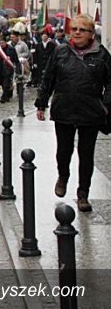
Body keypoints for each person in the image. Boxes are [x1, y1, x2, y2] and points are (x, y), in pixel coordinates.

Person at [35, 15, 111, 212]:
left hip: (90, 111)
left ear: (91, 34)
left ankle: (83, 193)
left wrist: (106, 105)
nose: (77, 32)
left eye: (82, 29)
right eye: (74, 29)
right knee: (63, 149)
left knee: (86, 154)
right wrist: (41, 103)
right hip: (64, 108)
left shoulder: (102, 54)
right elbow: (48, 78)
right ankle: (63, 176)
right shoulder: (60, 51)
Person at [0, 36, 21, 103]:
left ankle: (3, 97)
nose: (2, 44)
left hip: (8, 70)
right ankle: (8, 93)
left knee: (6, 84)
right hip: (0, 70)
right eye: (0, 43)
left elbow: (16, 60)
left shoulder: (11, 49)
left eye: (3, 43)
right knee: (2, 84)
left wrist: (18, 70)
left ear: (6, 42)